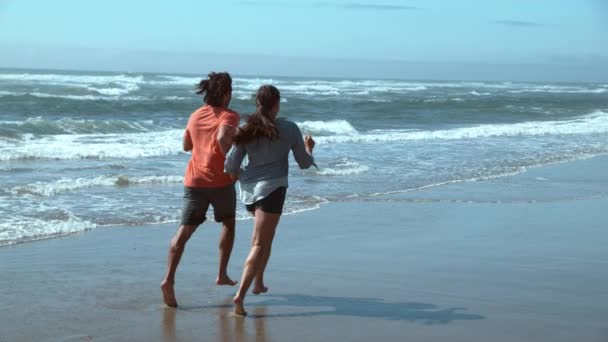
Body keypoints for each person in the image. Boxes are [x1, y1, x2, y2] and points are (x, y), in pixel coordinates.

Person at [224, 85, 316, 315]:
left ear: (257, 103)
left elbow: (230, 165)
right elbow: (304, 163)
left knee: (266, 237)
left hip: (248, 192)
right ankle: (240, 297)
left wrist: (244, 177)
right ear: (276, 104)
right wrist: (308, 147)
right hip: (273, 191)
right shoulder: (289, 128)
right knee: (259, 243)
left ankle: (258, 282)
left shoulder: (246, 128)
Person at [161, 72, 240, 308]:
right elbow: (224, 136)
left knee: (184, 232)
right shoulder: (230, 115)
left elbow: (186, 146)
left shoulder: (195, 115)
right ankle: (222, 273)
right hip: (220, 182)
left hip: (194, 182)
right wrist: (232, 165)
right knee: (228, 222)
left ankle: (168, 279)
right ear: (226, 94)